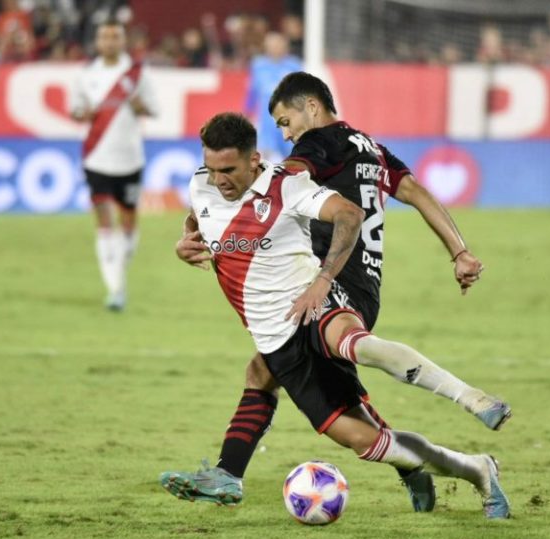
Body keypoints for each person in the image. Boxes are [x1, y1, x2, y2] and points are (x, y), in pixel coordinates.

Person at [171, 72, 510, 511]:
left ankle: (469, 400)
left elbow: (288, 184)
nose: (287, 133)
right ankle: (455, 467)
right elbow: (416, 192)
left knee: (347, 348)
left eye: (285, 121)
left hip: (327, 280)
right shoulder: (368, 147)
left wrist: (281, 199)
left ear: (311, 107)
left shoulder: (311, 150)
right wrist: (459, 252)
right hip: (353, 283)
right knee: (298, 391)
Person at [69, 19, 159, 311]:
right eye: (104, 37)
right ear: (97, 42)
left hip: (130, 159)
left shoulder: (136, 74)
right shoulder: (87, 75)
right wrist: (83, 113)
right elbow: (75, 110)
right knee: (104, 221)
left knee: (129, 222)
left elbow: (155, 109)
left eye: (115, 37)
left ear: (123, 41)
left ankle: (119, 274)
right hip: (96, 158)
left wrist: (139, 106)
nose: (109, 42)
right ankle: (115, 288)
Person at [244, 31, 303, 162]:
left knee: (292, 162)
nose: (275, 48)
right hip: (267, 126)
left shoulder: (294, 65)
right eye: (272, 45)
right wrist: (247, 113)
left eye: (278, 45)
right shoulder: (258, 65)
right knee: (269, 165)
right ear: (266, 47)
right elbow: (252, 92)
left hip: (290, 123)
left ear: (285, 46)